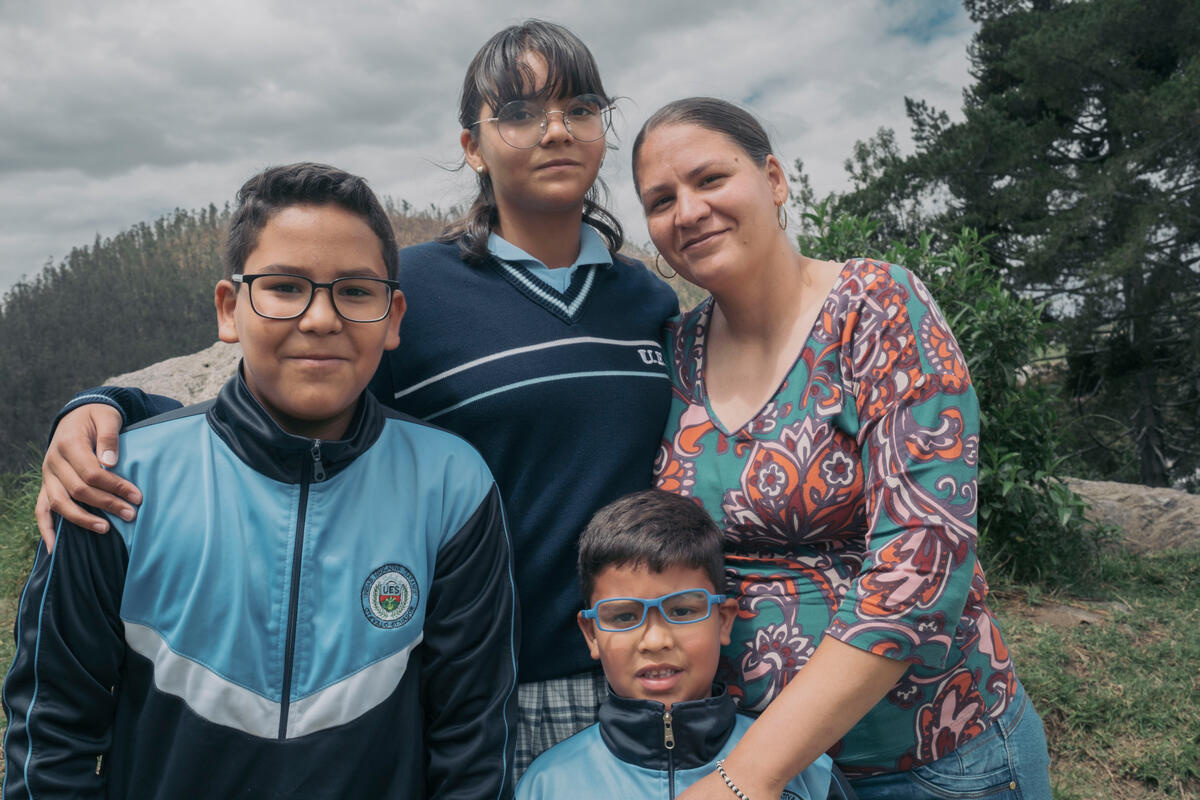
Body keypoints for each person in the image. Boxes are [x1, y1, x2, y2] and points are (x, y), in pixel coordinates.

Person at [31, 20, 678, 774]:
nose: (556, 131)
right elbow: (296, 402)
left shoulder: (644, 296)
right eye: (521, 112)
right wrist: (106, 407)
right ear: (472, 145)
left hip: (644, 666)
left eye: (581, 108)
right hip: (482, 676)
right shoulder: (424, 290)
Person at [3, 163, 518, 799]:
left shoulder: (451, 487)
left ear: (392, 317)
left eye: (356, 292)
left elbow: (471, 741)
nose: (322, 319)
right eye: (283, 287)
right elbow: (52, 734)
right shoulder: (116, 481)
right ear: (229, 308)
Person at [632, 98, 1052, 800]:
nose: (689, 210)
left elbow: (921, 564)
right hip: (766, 762)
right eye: (661, 199)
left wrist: (746, 778)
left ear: (773, 179)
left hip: (931, 760)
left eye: (710, 178)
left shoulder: (877, 308)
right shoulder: (678, 350)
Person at [516, 489, 846, 800]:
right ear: (592, 634)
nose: (656, 641)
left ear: (723, 620)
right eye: (624, 617)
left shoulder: (801, 771)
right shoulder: (548, 784)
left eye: (683, 611)